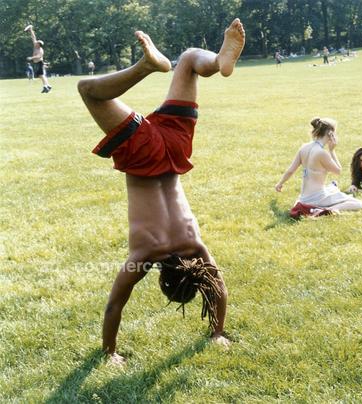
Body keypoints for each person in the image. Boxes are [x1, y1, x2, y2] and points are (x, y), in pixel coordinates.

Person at [77, 19, 245, 365]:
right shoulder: (145, 254)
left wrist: (219, 331)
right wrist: (110, 352)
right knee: (88, 90)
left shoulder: (195, 245)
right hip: (144, 156)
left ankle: (217, 62)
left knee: (189, 60)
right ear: (162, 278)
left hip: (176, 148)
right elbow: (114, 305)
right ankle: (145, 66)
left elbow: (219, 289)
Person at [275, 118, 362, 213]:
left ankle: (319, 206)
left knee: (332, 188)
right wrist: (332, 150)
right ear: (330, 134)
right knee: (359, 204)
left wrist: (280, 183)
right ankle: (328, 210)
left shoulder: (304, 147)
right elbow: (338, 171)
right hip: (317, 198)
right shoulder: (322, 153)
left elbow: (290, 170)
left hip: (303, 198)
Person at [24, 25, 51, 93]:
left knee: (41, 75)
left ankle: (45, 86)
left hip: (39, 63)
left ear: (39, 44)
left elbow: (39, 56)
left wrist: (31, 58)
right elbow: (33, 37)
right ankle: (48, 86)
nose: (36, 42)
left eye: (37, 42)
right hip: (37, 63)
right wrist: (31, 30)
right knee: (40, 76)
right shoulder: (36, 46)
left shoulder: (40, 50)